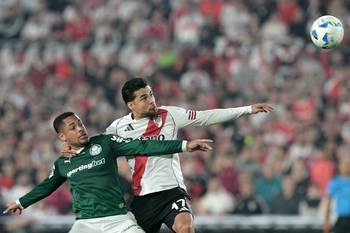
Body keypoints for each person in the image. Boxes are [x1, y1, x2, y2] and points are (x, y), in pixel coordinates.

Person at [63, 78, 273, 233]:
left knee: (186, 228)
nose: (151, 100)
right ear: (131, 105)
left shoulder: (169, 115)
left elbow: (205, 117)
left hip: (172, 191)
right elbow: (95, 147)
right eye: (144, 98)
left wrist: (247, 109)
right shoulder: (117, 128)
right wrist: (74, 150)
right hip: (142, 198)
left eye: (151, 94)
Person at [3, 112, 213, 233]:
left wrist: (184, 145)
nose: (81, 128)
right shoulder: (62, 163)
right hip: (85, 224)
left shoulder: (105, 143)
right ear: (62, 136)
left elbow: (143, 146)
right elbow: (46, 186)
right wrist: (21, 203)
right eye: (73, 127)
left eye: (80, 123)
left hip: (119, 221)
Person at [324, 158, 350, 233]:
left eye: (348, 165)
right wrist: (326, 220)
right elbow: (328, 201)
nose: (346, 167)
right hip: (338, 218)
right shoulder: (334, 183)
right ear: (340, 167)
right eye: (344, 165)